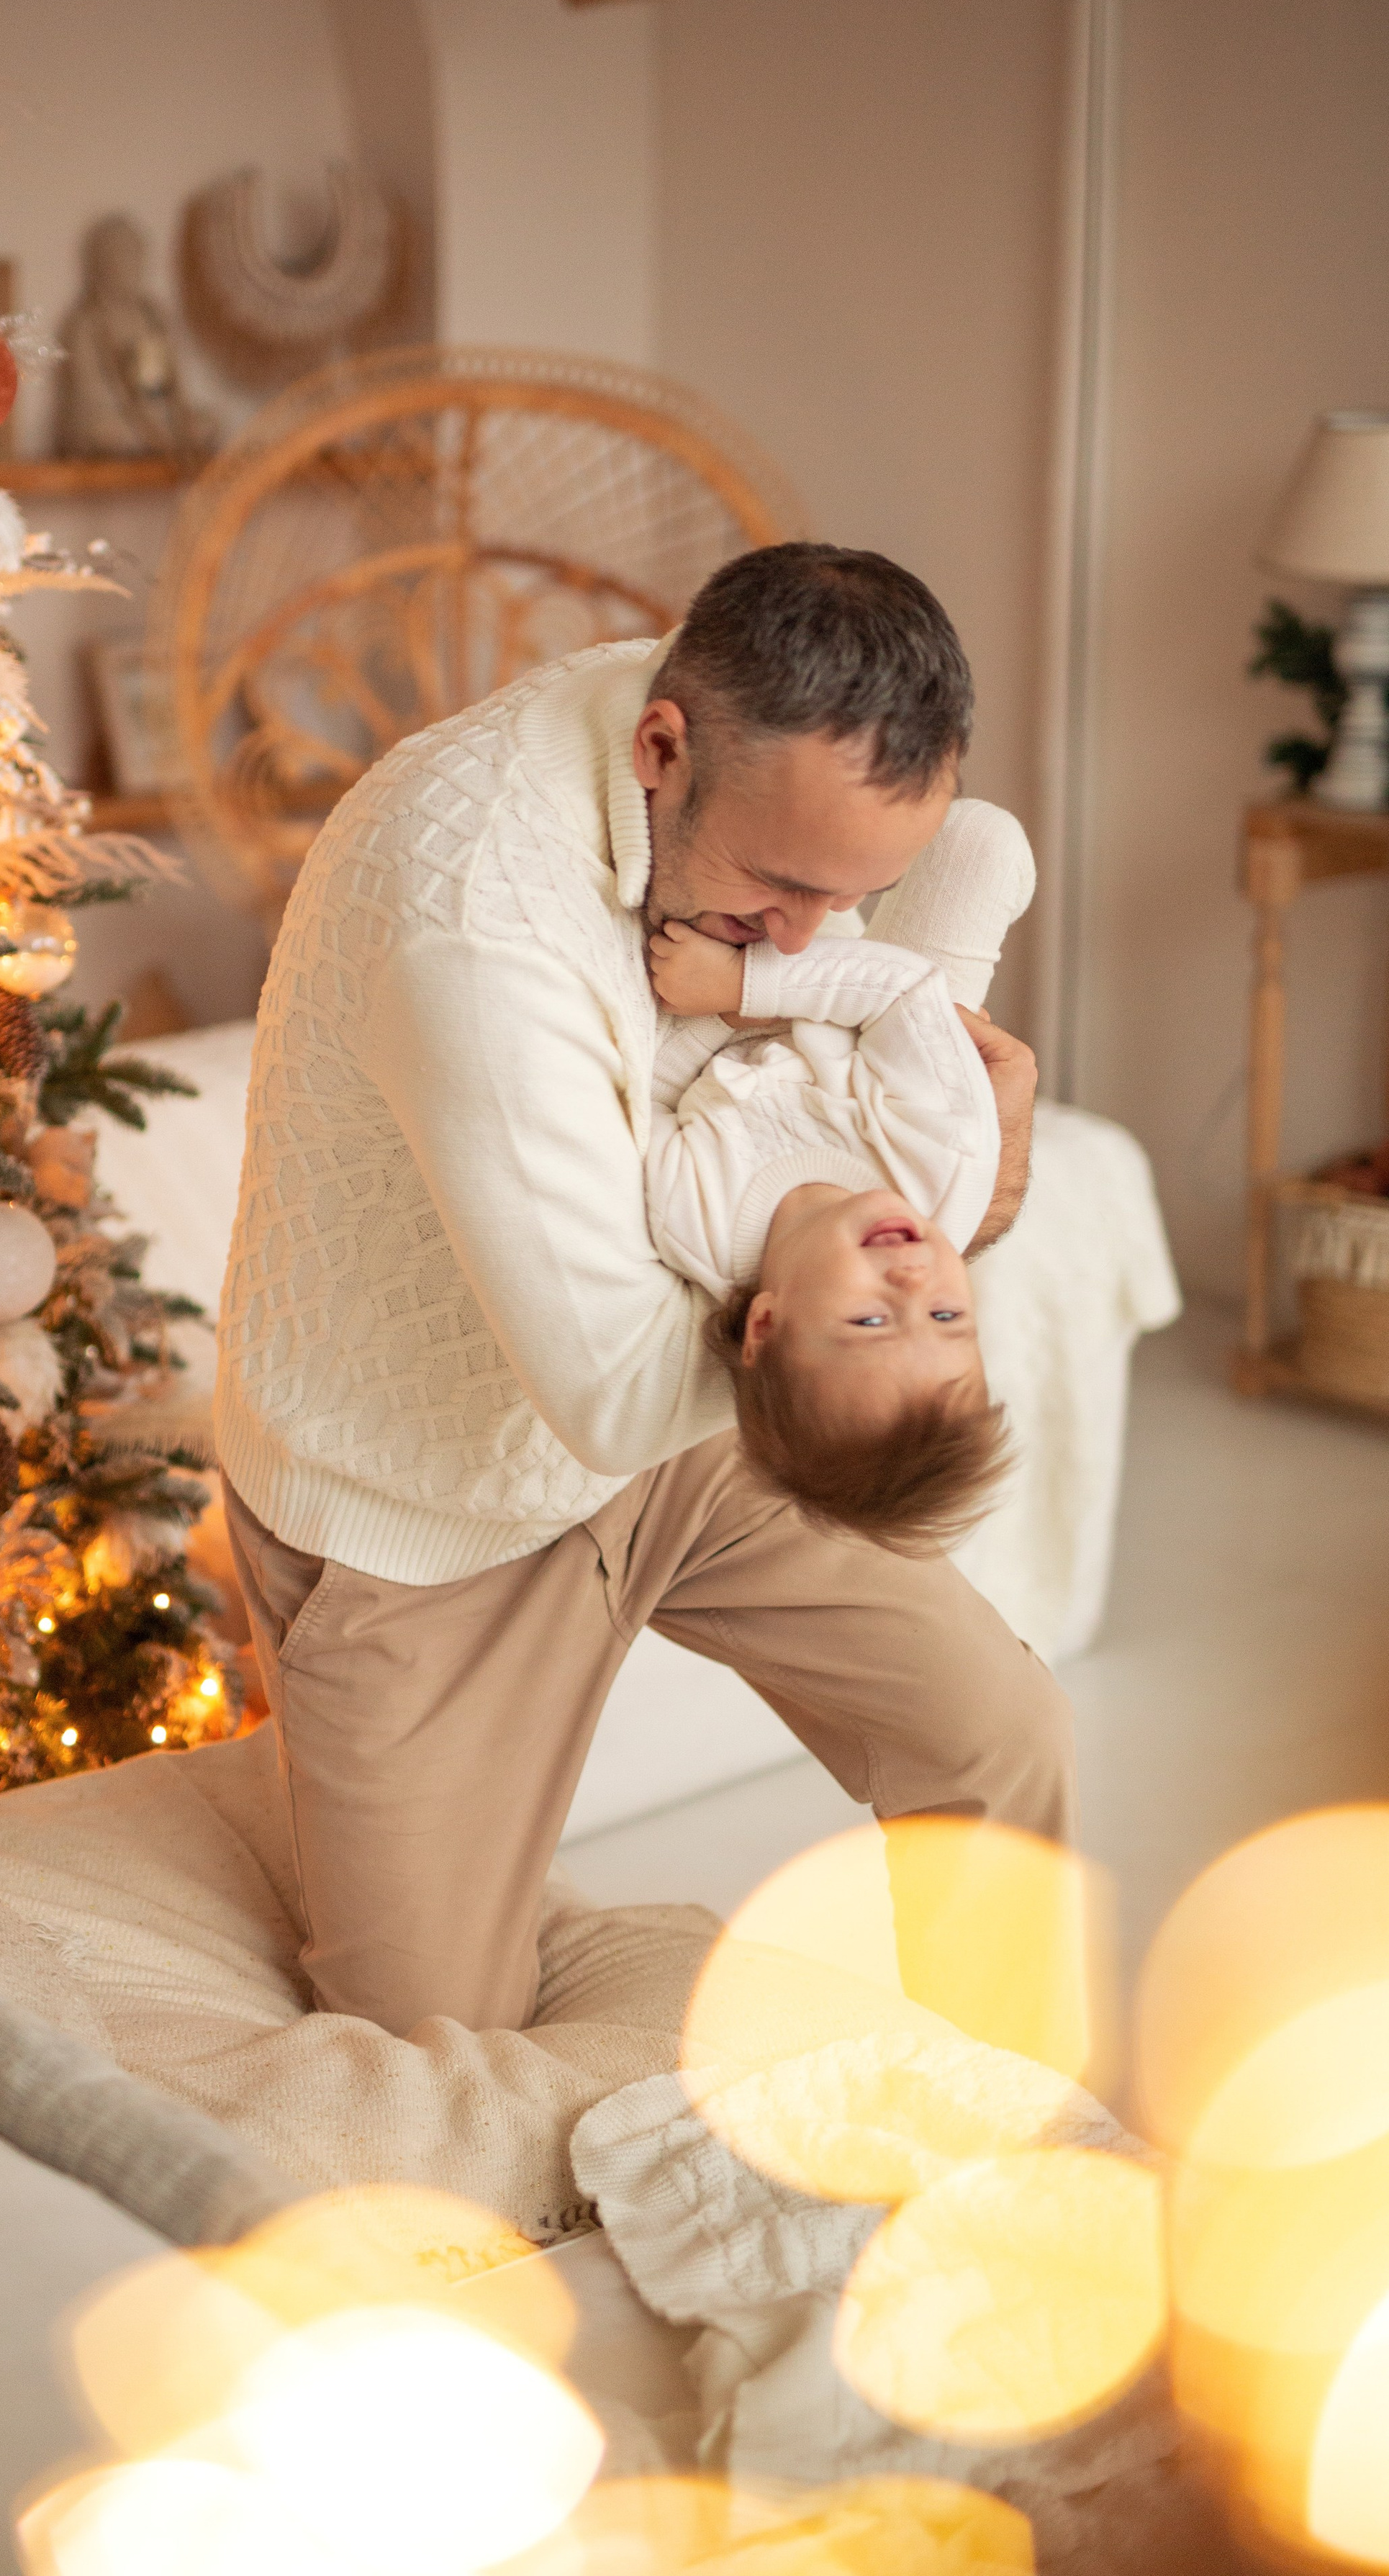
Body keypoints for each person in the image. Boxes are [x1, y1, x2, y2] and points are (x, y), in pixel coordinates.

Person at [217, 541, 1064, 2038]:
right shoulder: (470, 917)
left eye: (849, 898)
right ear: (659, 749)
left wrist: (927, 1190)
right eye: (785, 891)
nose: (806, 942)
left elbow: (821, 1066)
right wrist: (942, 1225)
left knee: (996, 1739)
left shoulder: (728, 766)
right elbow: (607, 1388)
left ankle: (1001, 2136)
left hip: (707, 1413)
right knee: (423, 2039)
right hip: (430, 1507)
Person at [643, 797, 1036, 1549]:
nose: (916, 1285)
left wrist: (721, 1019)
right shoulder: (941, 1165)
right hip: (890, 1035)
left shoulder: (693, 1222)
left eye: (870, 1322)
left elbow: (649, 1094)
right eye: (949, 1318)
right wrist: (741, 987)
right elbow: (900, 994)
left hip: (738, 1033)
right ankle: (827, 905)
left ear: (766, 1322)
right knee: (983, 842)